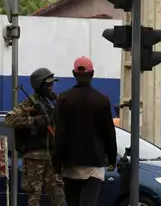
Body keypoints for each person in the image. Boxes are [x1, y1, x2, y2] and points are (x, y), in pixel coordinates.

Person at [53, 56, 117, 206]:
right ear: (92, 74)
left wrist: (57, 163)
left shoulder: (63, 99)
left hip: (70, 163)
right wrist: (112, 159)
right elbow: (109, 132)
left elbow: (60, 133)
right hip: (94, 163)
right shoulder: (102, 100)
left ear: (74, 74)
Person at [4, 68, 65, 206]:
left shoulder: (55, 101)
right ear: (40, 86)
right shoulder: (30, 103)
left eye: (52, 84)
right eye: (48, 84)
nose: (51, 87)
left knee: (58, 197)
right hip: (34, 158)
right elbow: (9, 119)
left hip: (53, 156)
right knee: (34, 199)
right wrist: (33, 121)